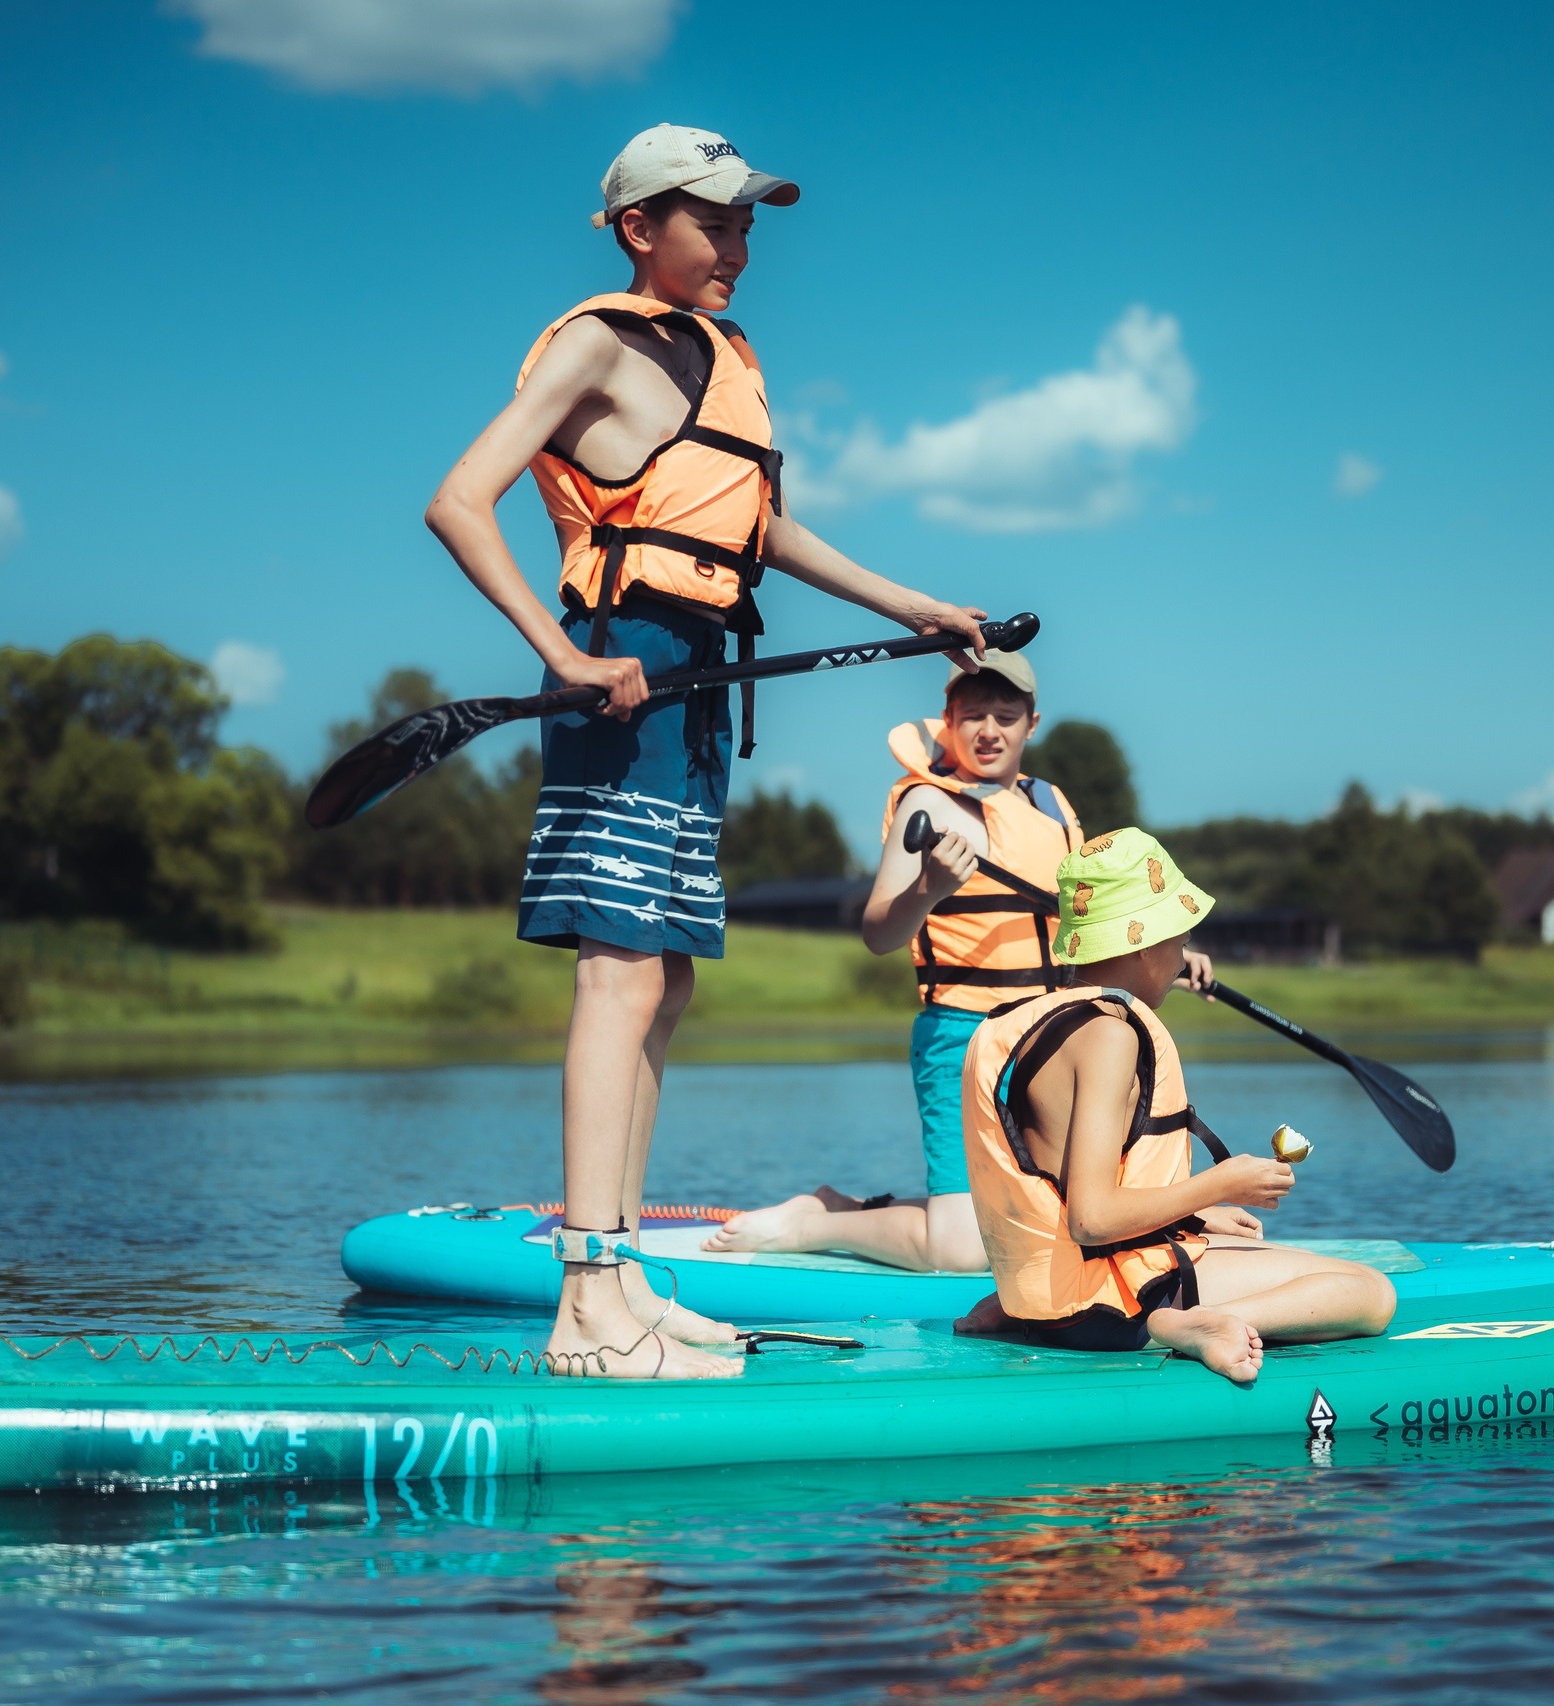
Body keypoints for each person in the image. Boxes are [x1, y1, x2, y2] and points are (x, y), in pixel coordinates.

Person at [423, 124, 989, 1379]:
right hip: (621, 666)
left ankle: (621, 1277)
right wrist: (564, 656)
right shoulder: (599, 343)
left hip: (698, 681)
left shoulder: (725, 356)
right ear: (640, 228)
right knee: (617, 979)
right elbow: (460, 499)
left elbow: (756, 525)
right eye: (715, 222)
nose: (739, 246)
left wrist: (913, 608)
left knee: (666, 983)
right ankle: (584, 1303)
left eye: (747, 225)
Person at [707, 655, 1215, 1270]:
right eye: (972, 715)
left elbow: (1085, 922)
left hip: (1054, 1035)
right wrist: (929, 889)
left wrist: (1166, 956)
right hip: (966, 1035)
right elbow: (878, 933)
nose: (989, 730)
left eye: (1006, 716)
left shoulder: (1051, 804)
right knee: (962, 1252)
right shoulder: (930, 803)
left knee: (1056, 1212)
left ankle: (858, 1204)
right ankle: (822, 1220)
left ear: (1033, 723)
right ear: (947, 721)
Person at [955, 830, 1396, 1381]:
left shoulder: (1028, 1024)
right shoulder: (1109, 1037)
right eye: (1178, 937)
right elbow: (1091, 1219)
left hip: (1041, 1299)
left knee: (1224, 1235)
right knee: (1370, 1292)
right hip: (1113, 1308)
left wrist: (1199, 1216)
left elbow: (1066, 1194)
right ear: (1141, 942)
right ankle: (1199, 1323)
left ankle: (1024, 1314)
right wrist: (1221, 1184)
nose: (1183, 952)